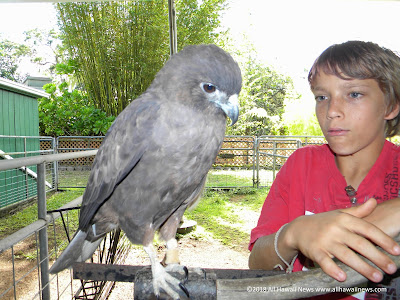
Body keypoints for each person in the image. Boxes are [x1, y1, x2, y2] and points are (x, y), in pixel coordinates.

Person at [248, 40, 400, 299]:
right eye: (322, 97)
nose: (332, 111)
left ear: (390, 106)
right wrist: (292, 234)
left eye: (353, 94)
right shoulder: (301, 165)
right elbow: (257, 265)